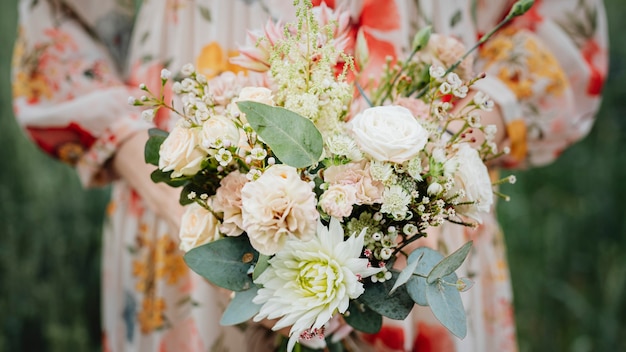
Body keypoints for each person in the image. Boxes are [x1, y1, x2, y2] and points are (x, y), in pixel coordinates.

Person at [11, 0, 607, 351]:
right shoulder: (187, 212)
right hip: (186, 229)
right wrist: (190, 204)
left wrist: (432, 176)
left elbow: (556, 33)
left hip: (420, 233)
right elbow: (62, 36)